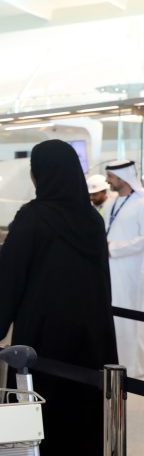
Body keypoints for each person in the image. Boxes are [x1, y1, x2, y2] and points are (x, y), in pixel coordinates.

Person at [0, 140, 117, 456]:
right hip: (90, 343)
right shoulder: (92, 219)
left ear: (39, 175)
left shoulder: (33, 217)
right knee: (83, 417)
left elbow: (10, 275)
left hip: (43, 342)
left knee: (41, 413)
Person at [102, 159, 144, 378]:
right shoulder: (111, 202)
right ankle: (116, 363)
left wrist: (114, 248)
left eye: (111, 177)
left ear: (123, 177)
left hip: (131, 271)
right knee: (114, 318)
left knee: (130, 320)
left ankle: (133, 368)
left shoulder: (141, 202)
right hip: (110, 269)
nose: (108, 181)